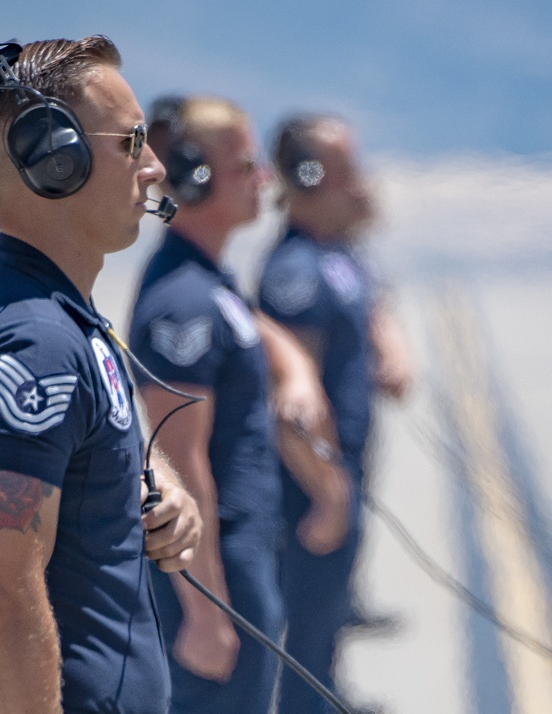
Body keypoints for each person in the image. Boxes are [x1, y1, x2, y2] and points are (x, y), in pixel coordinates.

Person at [0, 36, 201, 714]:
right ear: (56, 157)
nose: (156, 168)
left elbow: (89, 436)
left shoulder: (60, 321)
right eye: (133, 143)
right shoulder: (35, 346)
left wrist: (155, 475)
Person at [127, 95, 351, 714]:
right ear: (196, 178)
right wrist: (205, 612)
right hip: (217, 571)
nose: (263, 180)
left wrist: (297, 369)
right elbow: (179, 463)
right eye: (245, 166)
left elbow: (252, 324)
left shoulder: (209, 282)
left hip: (246, 557)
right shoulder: (183, 307)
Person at [257, 113, 413, 713]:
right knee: (312, 612)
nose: (358, 182)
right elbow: (288, 400)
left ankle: (325, 697)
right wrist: (326, 490)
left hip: (344, 458)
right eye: (344, 169)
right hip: (312, 474)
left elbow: (372, 289)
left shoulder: (337, 252)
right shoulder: (296, 272)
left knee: (329, 610)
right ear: (309, 175)